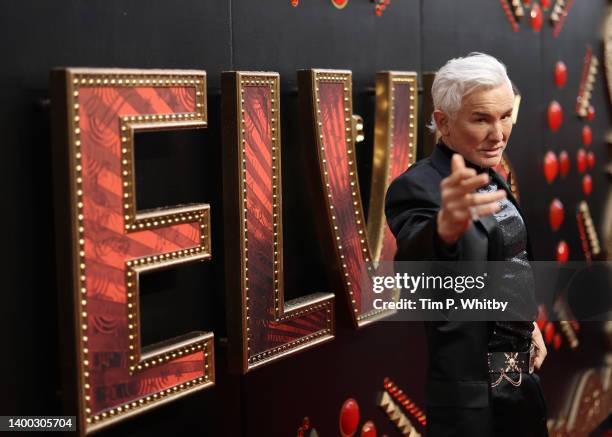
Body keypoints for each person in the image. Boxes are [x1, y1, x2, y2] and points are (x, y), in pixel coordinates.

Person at [385, 53, 548, 436]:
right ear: (443, 122)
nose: (499, 133)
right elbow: (415, 264)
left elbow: (508, 260)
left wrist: (524, 324)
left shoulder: (490, 172)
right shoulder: (418, 186)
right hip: (471, 402)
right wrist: (443, 230)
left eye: (506, 115)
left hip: (518, 382)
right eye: (481, 119)